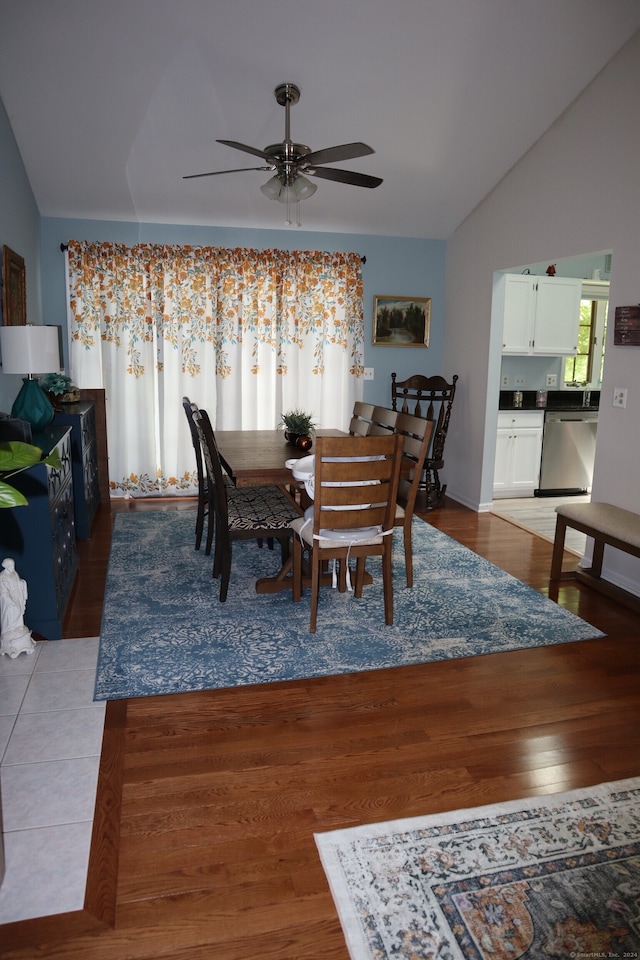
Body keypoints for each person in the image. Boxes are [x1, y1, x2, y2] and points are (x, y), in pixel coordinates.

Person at [0, 557, 36, 658]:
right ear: (5, 566)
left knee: (19, 611)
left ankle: (18, 627)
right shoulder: (2, 576)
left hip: (16, 596)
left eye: (13, 565)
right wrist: (9, 600)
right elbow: (3, 591)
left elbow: (18, 581)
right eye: (10, 566)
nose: (12, 567)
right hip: (8, 599)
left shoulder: (14, 573)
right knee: (11, 614)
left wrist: (21, 583)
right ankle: (10, 630)